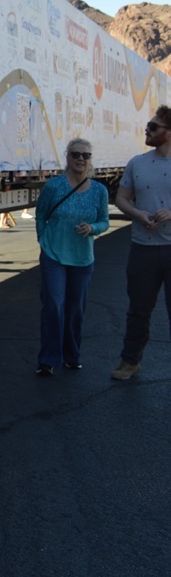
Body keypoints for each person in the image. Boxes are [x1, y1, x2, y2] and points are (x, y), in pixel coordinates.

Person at [33, 138, 108, 376]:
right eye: (76, 154)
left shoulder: (99, 191)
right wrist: (44, 240)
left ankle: (71, 356)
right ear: (67, 157)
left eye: (85, 155)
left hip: (82, 258)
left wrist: (93, 228)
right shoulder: (54, 186)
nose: (80, 159)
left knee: (75, 309)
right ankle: (48, 360)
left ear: (90, 159)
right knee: (54, 306)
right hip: (53, 255)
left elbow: (104, 221)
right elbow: (41, 215)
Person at [111, 106, 171, 380]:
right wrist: (138, 214)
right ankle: (130, 361)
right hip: (143, 249)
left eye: (153, 126)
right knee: (138, 310)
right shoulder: (137, 163)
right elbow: (122, 198)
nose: (147, 129)